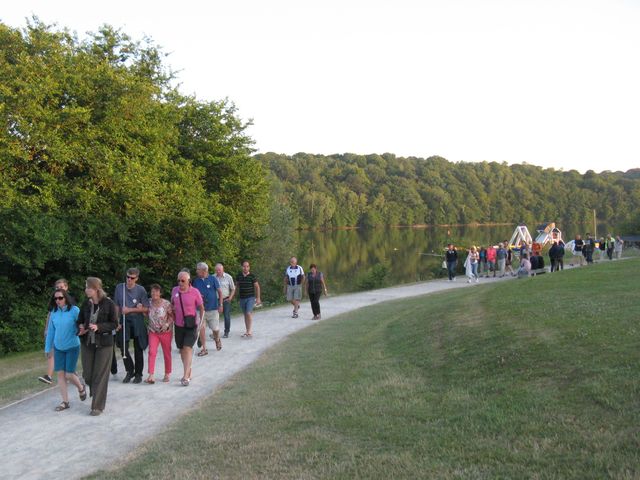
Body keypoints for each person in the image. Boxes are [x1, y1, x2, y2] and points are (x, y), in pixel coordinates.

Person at [78, 277, 119, 416]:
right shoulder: (86, 304)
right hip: (87, 343)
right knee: (88, 375)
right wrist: (81, 327)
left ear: (96, 289)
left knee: (100, 375)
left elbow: (114, 324)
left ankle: (97, 406)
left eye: (88, 287)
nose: (86, 289)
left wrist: (99, 326)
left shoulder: (108, 304)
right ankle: (93, 390)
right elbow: (79, 321)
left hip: (104, 344)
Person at [45, 289, 85, 411]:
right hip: (58, 347)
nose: (58, 301)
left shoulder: (74, 310)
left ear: (66, 298)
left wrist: (81, 330)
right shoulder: (53, 312)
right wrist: (48, 348)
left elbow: (82, 326)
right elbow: (51, 332)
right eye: (55, 299)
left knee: (69, 374)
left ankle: (80, 387)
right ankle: (65, 402)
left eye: (60, 298)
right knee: (61, 375)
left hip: (72, 346)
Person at [113, 268, 150, 384]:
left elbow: (146, 308)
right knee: (123, 347)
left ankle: (139, 374)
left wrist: (130, 309)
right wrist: (116, 321)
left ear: (136, 278)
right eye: (127, 277)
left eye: (132, 278)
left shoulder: (141, 290)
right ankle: (130, 370)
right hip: (123, 320)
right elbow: (116, 306)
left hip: (137, 319)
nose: (129, 279)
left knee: (138, 347)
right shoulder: (120, 287)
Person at [171, 270, 204, 386]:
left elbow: (201, 307)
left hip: (191, 325)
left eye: (183, 280)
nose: (180, 282)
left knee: (187, 348)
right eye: (178, 280)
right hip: (179, 325)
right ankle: (188, 370)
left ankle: (185, 376)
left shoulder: (195, 292)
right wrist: (172, 313)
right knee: (181, 350)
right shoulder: (174, 290)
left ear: (188, 281)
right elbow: (172, 305)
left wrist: (200, 322)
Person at [39, 278, 75, 385]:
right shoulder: (54, 300)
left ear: (66, 288)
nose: (59, 289)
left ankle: (71, 374)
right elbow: (50, 315)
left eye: (62, 287)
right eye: (57, 288)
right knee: (51, 351)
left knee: (64, 354)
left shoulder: (70, 301)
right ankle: (49, 376)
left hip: (66, 333)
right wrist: (46, 329)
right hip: (55, 331)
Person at [145, 284, 174, 384]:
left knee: (167, 352)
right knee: (152, 352)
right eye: (153, 291)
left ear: (160, 293)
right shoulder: (148, 302)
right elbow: (145, 313)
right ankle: (151, 375)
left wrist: (166, 324)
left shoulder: (166, 303)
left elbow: (172, 316)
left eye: (156, 291)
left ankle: (167, 373)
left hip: (165, 332)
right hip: (153, 332)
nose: (154, 293)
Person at [193, 262, 224, 354]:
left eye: (198, 269)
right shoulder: (196, 281)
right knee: (201, 328)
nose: (196, 271)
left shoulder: (213, 279)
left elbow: (220, 292)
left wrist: (221, 304)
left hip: (213, 309)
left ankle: (217, 339)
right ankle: (204, 349)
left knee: (215, 329)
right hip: (200, 310)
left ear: (204, 270)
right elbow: (193, 294)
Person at [235, 261, 262, 338]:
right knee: (245, 314)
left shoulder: (252, 276)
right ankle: (247, 331)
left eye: (247, 266)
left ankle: (249, 331)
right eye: (244, 266)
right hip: (242, 298)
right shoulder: (239, 276)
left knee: (248, 313)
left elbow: (257, 287)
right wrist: (235, 297)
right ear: (242, 267)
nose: (245, 268)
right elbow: (236, 287)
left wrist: (258, 298)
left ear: (249, 267)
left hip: (250, 298)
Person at [214, 263, 236, 338]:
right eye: (216, 270)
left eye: (219, 270)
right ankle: (215, 333)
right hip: (216, 300)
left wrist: (230, 297)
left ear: (223, 269)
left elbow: (233, 289)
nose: (218, 271)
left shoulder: (228, 277)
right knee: (215, 316)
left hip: (226, 299)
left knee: (226, 316)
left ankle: (226, 332)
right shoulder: (213, 277)